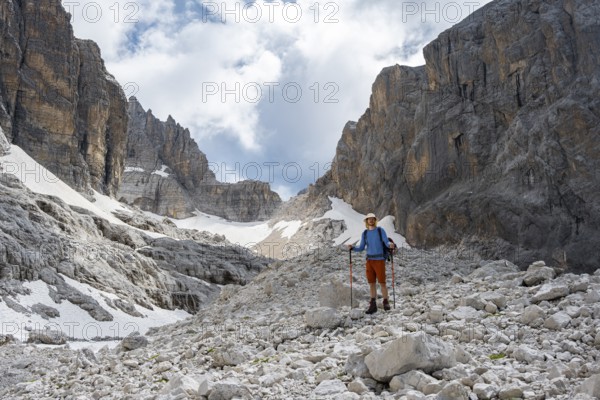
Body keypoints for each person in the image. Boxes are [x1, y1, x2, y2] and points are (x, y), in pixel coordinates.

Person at [347, 213, 395, 314]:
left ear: (375, 220)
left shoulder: (380, 230)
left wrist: (390, 245)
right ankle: (373, 305)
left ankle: (386, 302)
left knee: (382, 282)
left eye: (372, 219)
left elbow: (386, 242)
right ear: (366, 221)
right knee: (371, 283)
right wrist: (353, 248)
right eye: (369, 219)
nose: (371, 220)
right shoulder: (365, 233)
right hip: (369, 261)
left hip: (380, 260)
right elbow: (361, 247)